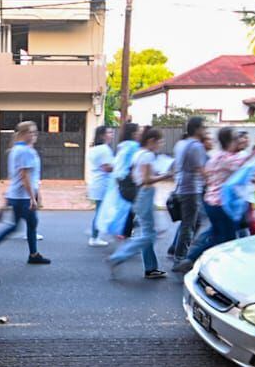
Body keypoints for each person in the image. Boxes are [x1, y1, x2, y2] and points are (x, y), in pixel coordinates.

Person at [175, 127, 254, 270]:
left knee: (217, 233)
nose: (240, 141)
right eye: (237, 139)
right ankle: (215, 267)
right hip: (223, 204)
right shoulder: (231, 159)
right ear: (231, 141)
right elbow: (249, 165)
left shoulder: (216, 157)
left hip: (211, 202)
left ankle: (191, 258)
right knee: (226, 240)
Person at [108, 127, 172, 279]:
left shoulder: (139, 153)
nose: (161, 144)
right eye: (159, 141)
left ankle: (151, 267)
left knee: (148, 232)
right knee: (150, 234)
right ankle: (118, 256)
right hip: (146, 193)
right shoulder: (148, 156)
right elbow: (146, 179)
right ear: (151, 141)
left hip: (142, 193)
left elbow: (137, 175)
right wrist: (166, 175)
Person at [0, 121, 50, 265]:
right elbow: (25, 177)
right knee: (27, 224)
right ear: (23, 134)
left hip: (16, 195)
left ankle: (33, 254)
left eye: (35, 132)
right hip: (23, 196)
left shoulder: (16, 149)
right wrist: (32, 198)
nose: (34, 135)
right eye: (31, 132)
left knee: (24, 224)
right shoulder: (25, 151)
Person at [170, 116, 208, 260]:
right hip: (191, 189)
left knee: (194, 222)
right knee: (189, 225)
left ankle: (181, 250)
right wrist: (211, 181)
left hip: (183, 187)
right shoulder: (197, 146)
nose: (205, 131)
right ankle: (180, 256)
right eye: (203, 128)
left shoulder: (183, 144)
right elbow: (200, 169)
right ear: (197, 129)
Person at [85, 125, 114, 247]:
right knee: (102, 211)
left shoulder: (94, 149)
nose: (112, 134)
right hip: (103, 184)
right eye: (109, 132)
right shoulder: (104, 149)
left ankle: (95, 232)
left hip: (97, 183)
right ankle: (95, 235)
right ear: (102, 135)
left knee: (101, 210)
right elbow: (107, 168)